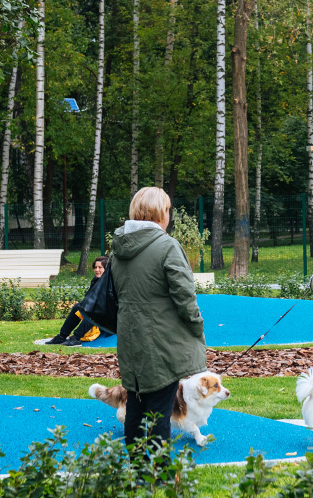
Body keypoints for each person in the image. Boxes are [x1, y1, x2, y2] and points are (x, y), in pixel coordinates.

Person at [110, 186, 206, 447]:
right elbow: (185, 298)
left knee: (136, 406)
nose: (169, 215)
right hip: (163, 342)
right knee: (160, 411)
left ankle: (138, 470)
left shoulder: (117, 249)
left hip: (130, 340)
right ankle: (158, 474)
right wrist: (197, 326)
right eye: (167, 209)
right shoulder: (167, 246)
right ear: (158, 213)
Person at [48, 256, 113, 346]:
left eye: (100, 267)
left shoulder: (110, 282)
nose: (97, 270)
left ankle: (76, 337)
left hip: (109, 318)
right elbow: (89, 298)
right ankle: (62, 336)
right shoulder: (96, 280)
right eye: (95, 267)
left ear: (106, 269)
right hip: (99, 311)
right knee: (77, 307)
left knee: (93, 312)